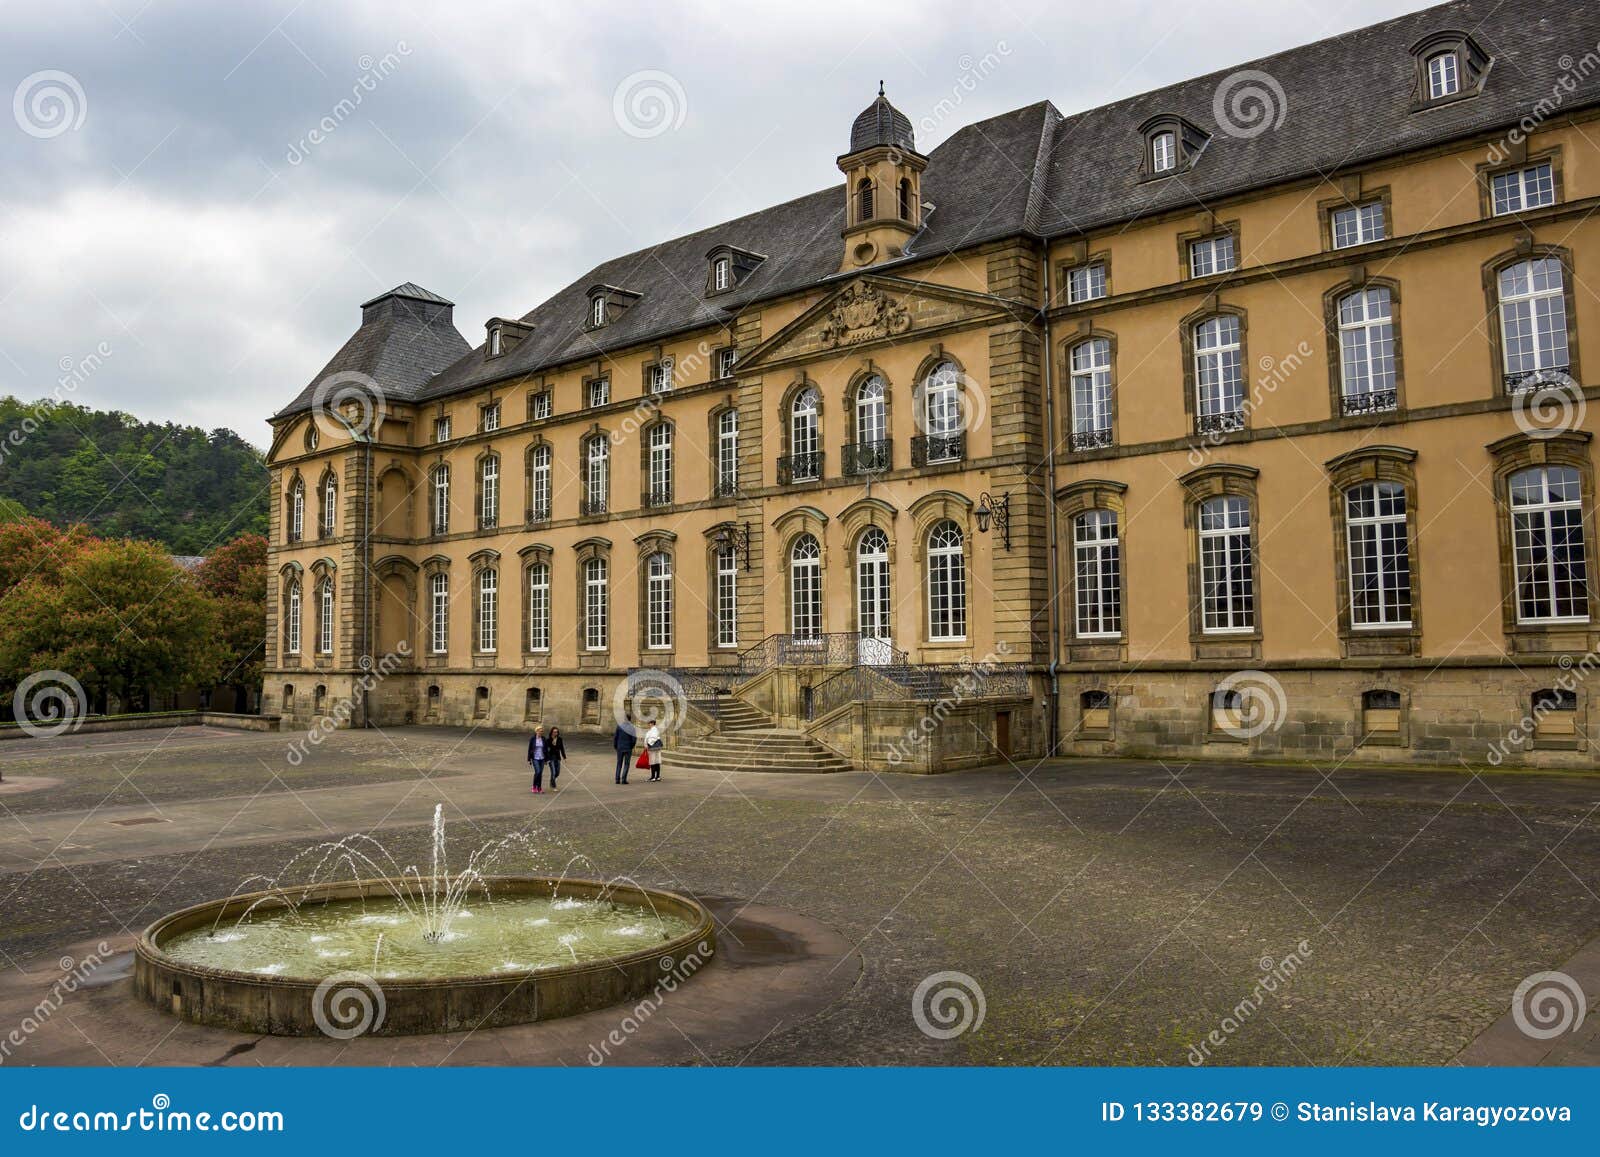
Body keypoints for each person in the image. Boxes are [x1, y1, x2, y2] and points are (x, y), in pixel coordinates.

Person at [611, 713, 637, 785]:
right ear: (629, 719)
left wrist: (615, 746)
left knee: (619, 763)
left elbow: (615, 737)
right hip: (628, 748)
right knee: (626, 764)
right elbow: (634, 739)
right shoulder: (632, 727)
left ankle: (617, 779)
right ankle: (623, 779)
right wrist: (631, 746)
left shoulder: (619, 726)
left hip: (620, 748)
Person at [545, 726, 567, 791]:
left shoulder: (560, 739)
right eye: (554, 732)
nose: (555, 733)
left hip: (557, 757)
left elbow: (562, 748)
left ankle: (552, 780)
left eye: (557, 732)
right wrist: (546, 759)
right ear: (551, 732)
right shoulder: (548, 740)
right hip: (551, 758)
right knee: (553, 772)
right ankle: (554, 786)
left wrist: (564, 757)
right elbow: (547, 750)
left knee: (557, 772)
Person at [528, 725, 547, 794]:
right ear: (536, 731)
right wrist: (529, 759)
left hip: (542, 758)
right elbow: (529, 749)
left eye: (542, 731)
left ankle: (539, 788)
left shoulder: (543, 739)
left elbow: (546, 749)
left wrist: (546, 759)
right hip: (535, 758)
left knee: (540, 773)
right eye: (540, 731)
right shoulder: (532, 739)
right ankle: (534, 787)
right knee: (538, 771)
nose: (541, 732)